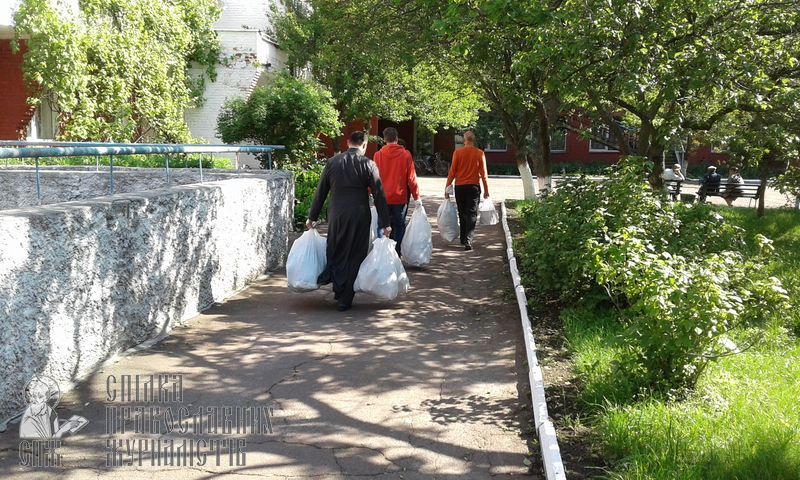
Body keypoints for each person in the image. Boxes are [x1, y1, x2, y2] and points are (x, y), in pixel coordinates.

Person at [307, 131, 390, 311]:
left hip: (337, 213)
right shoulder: (369, 164)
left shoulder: (332, 162)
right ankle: (345, 297)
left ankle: (338, 287)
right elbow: (379, 195)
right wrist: (385, 222)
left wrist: (312, 217)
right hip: (359, 214)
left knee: (336, 247)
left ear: (347, 142)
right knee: (355, 254)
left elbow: (321, 191)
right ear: (365, 145)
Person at [374, 127, 420, 255]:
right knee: (399, 226)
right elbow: (411, 178)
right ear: (397, 138)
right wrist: (417, 197)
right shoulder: (406, 155)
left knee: (382, 225)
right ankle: (396, 253)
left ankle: (381, 254)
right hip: (400, 197)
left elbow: (374, 177)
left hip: (382, 197)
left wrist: (370, 192)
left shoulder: (377, 155)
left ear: (384, 139)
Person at [445, 131, 489, 251]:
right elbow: (484, 174)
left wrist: (447, 187)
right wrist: (486, 190)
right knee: (472, 213)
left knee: (462, 212)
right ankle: (468, 239)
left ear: (464, 140)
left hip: (460, 187)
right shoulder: (479, 153)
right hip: (473, 187)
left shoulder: (458, 152)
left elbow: (452, 171)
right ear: (473, 140)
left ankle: (463, 238)